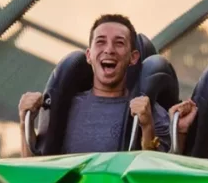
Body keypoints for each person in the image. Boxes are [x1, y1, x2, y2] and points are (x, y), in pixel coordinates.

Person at [17, 14, 170, 156]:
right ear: (89, 55)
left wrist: (147, 126)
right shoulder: (63, 108)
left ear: (133, 57)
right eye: (101, 42)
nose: (109, 50)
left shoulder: (148, 111)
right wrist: (26, 121)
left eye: (119, 43)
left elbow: (158, 175)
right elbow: (31, 171)